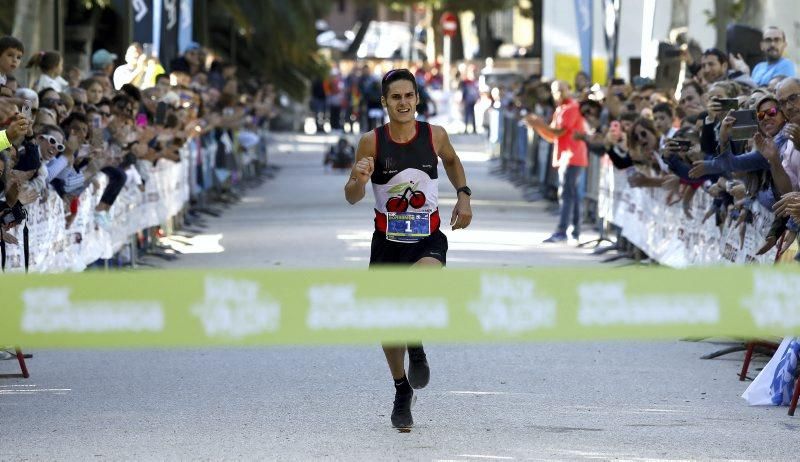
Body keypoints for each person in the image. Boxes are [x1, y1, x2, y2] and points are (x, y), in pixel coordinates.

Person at [343, 68, 472, 429]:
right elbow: (352, 196)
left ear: (417, 98)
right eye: (395, 97)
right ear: (384, 102)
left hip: (427, 238)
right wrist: (359, 179)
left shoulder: (435, 135)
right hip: (386, 243)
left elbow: (452, 161)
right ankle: (402, 389)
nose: (403, 103)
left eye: (409, 96)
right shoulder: (371, 141)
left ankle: (414, 341)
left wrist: (463, 195)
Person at [525, 80, 588, 242]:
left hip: (572, 156)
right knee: (569, 194)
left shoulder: (571, 108)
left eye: (561, 90)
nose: (558, 94)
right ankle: (572, 231)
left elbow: (559, 131)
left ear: (568, 89)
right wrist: (538, 127)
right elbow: (552, 136)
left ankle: (564, 230)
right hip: (564, 156)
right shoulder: (560, 109)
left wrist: (539, 124)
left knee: (567, 194)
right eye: (555, 91)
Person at [730, 26, 797, 86]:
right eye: (768, 40)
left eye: (777, 40)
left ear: (784, 45)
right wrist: (743, 74)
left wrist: (745, 76)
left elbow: (772, 93)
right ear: (761, 46)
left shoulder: (786, 64)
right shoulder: (758, 67)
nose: (772, 44)